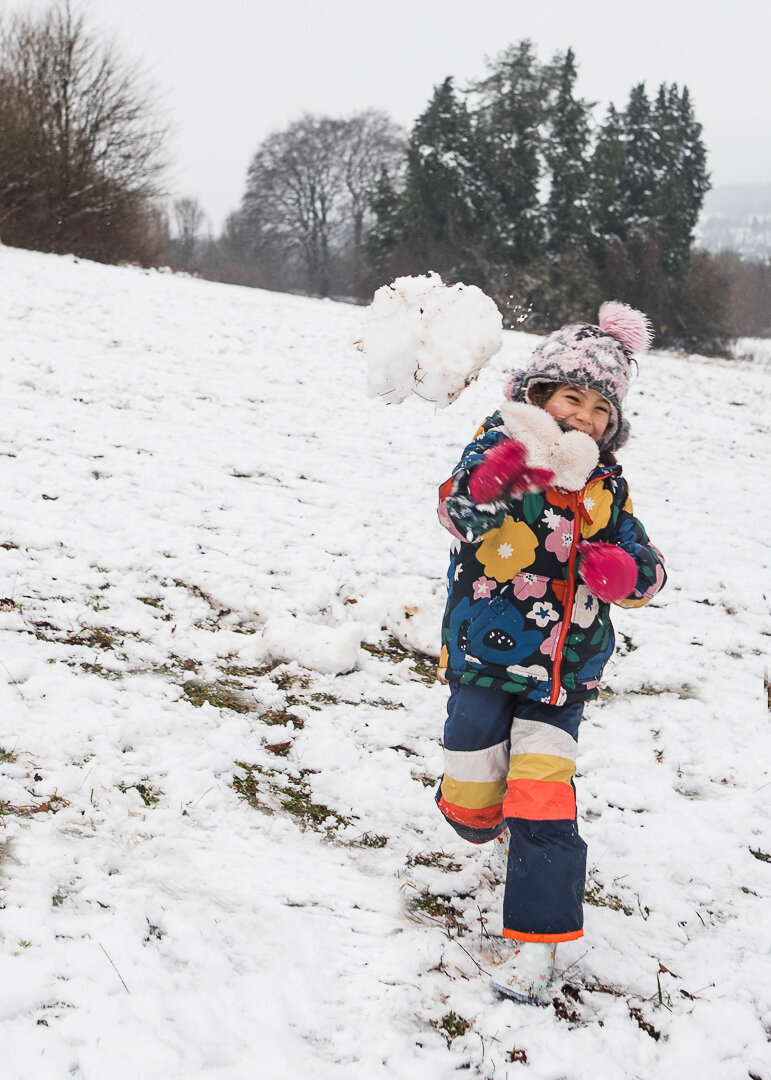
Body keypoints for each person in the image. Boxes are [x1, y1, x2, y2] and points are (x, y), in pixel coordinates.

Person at [435, 302, 667, 1003]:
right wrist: (498, 476)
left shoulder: (605, 487)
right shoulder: (500, 449)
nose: (587, 416)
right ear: (538, 393)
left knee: (543, 805)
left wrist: (628, 574)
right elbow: (456, 512)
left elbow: (647, 562)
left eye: (602, 407)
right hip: (484, 655)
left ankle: (538, 944)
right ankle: (482, 821)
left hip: (563, 677)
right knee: (472, 796)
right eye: (573, 396)